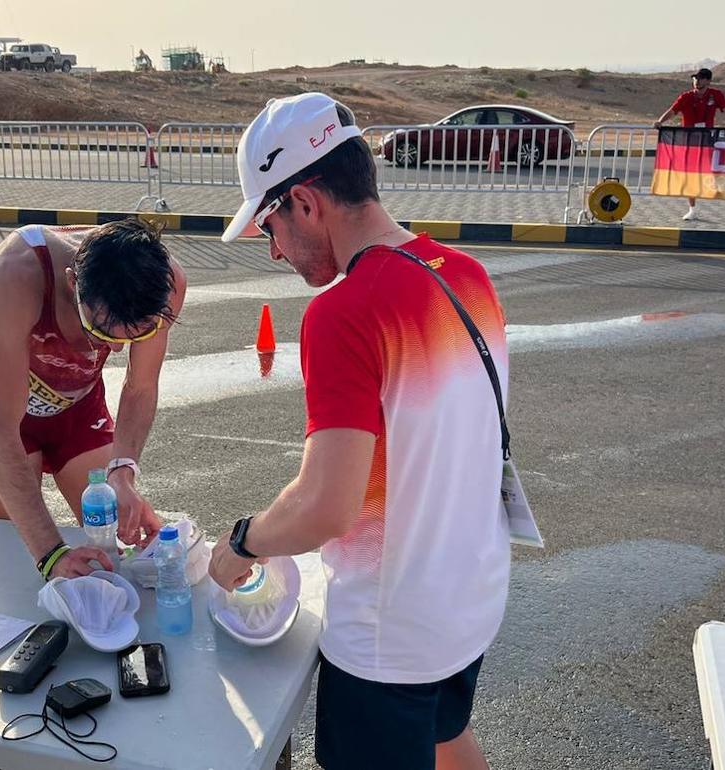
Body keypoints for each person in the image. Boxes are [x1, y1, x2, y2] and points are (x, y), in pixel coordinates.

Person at [208, 92, 511, 770]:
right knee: (446, 738)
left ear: (306, 202)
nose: (275, 251)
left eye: (269, 226)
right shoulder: (465, 275)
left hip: (391, 636)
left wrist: (241, 543)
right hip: (471, 596)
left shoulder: (344, 312)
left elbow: (326, 506)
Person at [0, 219, 186, 580]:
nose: (114, 348)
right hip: (6, 407)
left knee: (110, 543)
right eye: (99, 331)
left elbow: (140, 386)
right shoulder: (16, 275)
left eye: (137, 334)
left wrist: (123, 472)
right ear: (72, 282)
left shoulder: (165, 284)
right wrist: (50, 553)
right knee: (24, 551)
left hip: (78, 401)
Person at [654, 67, 725, 221]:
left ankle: (719, 188)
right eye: (695, 78)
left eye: (700, 78)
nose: (696, 81)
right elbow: (672, 111)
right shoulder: (686, 97)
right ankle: (692, 209)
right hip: (689, 142)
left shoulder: (716, 94)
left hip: (708, 140)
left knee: (713, 168)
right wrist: (660, 121)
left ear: (708, 80)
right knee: (690, 174)